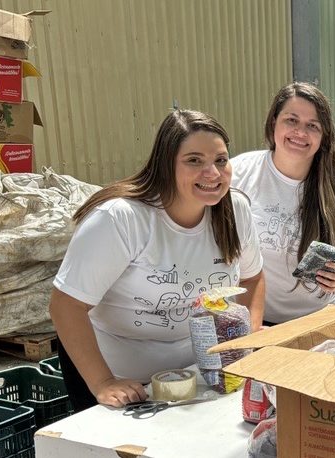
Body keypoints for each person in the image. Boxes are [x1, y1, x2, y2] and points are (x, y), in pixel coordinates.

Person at [50, 110, 266, 411]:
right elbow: (66, 305)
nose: (213, 173)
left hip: (198, 374)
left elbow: (252, 278)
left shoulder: (235, 209)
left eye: (220, 160)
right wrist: (103, 382)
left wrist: (246, 341)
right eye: (194, 160)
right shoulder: (121, 219)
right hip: (121, 379)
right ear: (165, 164)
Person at [231, 82, 335, 325]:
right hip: (254, 323)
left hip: (318, 323)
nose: (300, 133)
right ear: (274, 122)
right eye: (291, 120)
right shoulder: (239, 174)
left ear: (324, 135)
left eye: (312, 125)